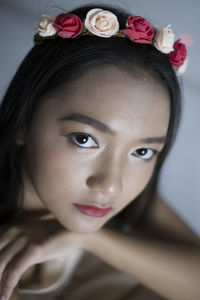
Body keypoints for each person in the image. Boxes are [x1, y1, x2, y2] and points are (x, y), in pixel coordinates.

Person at [0, 3, 200, 300]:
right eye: (84, 139)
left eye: (143, 152)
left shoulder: (132, 203)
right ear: (23, 122)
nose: (110, 184)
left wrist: (91, 240)